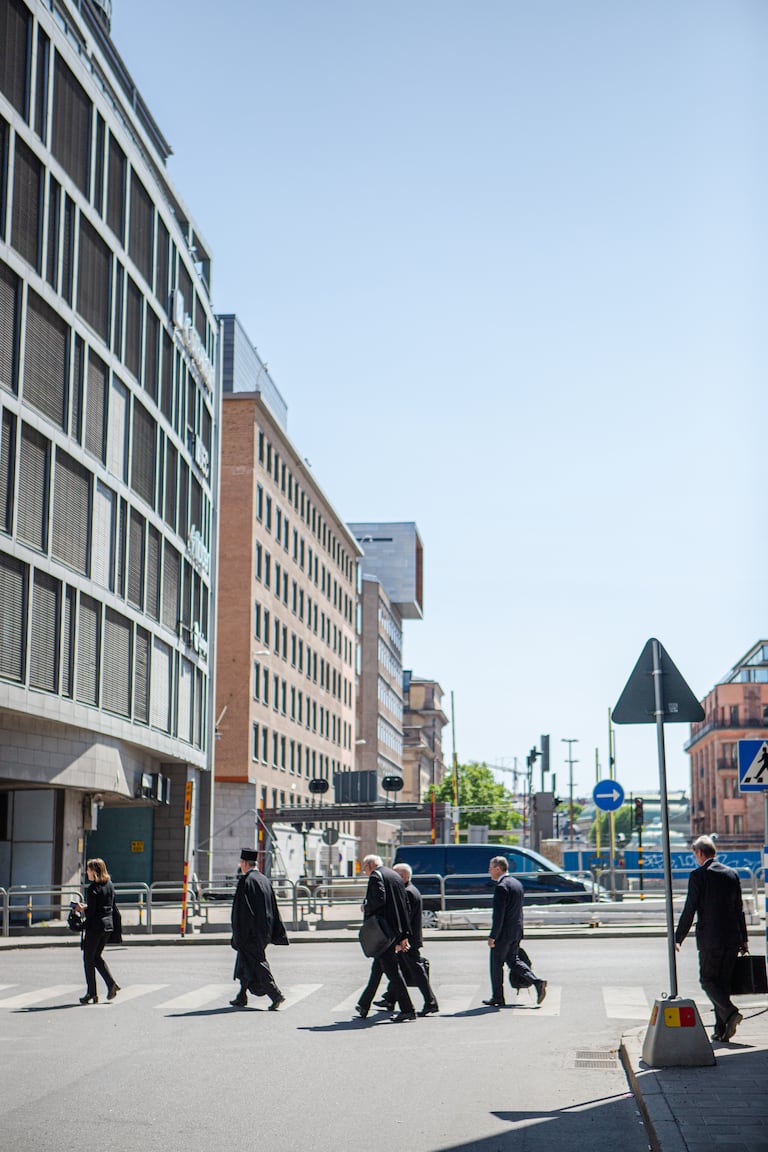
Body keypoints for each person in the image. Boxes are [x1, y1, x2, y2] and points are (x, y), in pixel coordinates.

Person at [675, 834, 748, 1042]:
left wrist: (679, 937)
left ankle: (731, 1013)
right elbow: (739, 909)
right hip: (732, 938)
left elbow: (690, 908)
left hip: (710, 939)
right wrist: (744, 939)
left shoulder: (699, 875)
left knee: (707, 980)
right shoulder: (732, 874)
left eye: (695, 854)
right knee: (722, 984)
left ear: (699, 853)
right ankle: (721, 1030)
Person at [356, 855, 416, 1021]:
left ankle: (408, 1009)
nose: (364, 871)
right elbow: (405, 906)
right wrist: (404, 934)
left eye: (364, 867)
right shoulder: (395, 876)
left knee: (393, 972)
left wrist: (365, 907)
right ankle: (364, 1004)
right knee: (377, 969)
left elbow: (379, 900)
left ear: (370, 865)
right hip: (393, 931)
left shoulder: (376, 876)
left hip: (383, 932)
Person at [374, 863, 439, 1016]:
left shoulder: (407, 892)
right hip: (410, 939)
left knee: (416, 971)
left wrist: (400, 940)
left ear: (403, 876)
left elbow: (405, 919)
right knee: (400, 969)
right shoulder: (410, 889)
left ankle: (431, 1002)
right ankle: (390, 998)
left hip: (408, 941)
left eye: (396, 876)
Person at [484, 856, 547, 1008]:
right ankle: (537, 982)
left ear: (498, 869)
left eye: (491, 868)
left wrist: (493, 936)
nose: (489, 871)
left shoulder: (501, 887)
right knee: (513, 961)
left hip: (504, 934)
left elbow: (499, 915)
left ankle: (498, 996)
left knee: (496, 963)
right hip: (516, 930)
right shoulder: (516, 883)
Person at [230, 848, 288, 1009]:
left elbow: (242, 911)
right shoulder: (263, 879)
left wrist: (238, 933)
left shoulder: (246, 881)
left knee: (257, 962)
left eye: (241, 863)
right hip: (264, 930)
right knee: (244, 961)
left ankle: (275, 995)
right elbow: (273, 906)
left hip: (250, 932)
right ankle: (241, 996)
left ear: (244, 863)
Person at [75, 858, 120, 1005]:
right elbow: (107, 906)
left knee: (88, 959)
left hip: (95, 928)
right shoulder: (109, 885)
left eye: (88, 869)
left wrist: (82, 911)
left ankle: (92, 993)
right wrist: (88, 907)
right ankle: (111, 984)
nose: (86, 872)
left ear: (94, 871)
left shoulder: (93, 888)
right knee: (96, 957)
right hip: (107, 926)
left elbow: (93, 912)